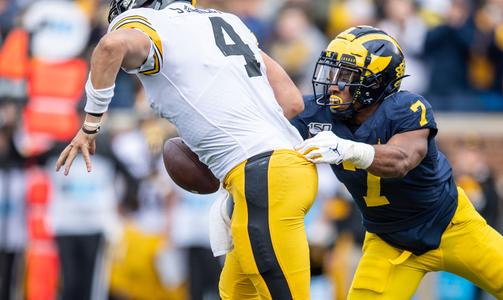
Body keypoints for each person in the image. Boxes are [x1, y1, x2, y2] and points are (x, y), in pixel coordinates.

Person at [55, 0, 318, 299]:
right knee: (236, 293)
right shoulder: (227, 21)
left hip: (264, 177)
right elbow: (292, 102)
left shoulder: (150, 22)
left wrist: (90, 124)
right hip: (279, 170)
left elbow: (110, 46)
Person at [291, 26, 503, 299]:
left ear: (375, 82)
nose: (333, 84)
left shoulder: (406, 108)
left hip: (453, 226)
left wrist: (348, 149)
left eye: (345, 75)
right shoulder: (318, 113)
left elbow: (401, 160)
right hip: (388, 242)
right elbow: (275, 107)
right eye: (332, 73)